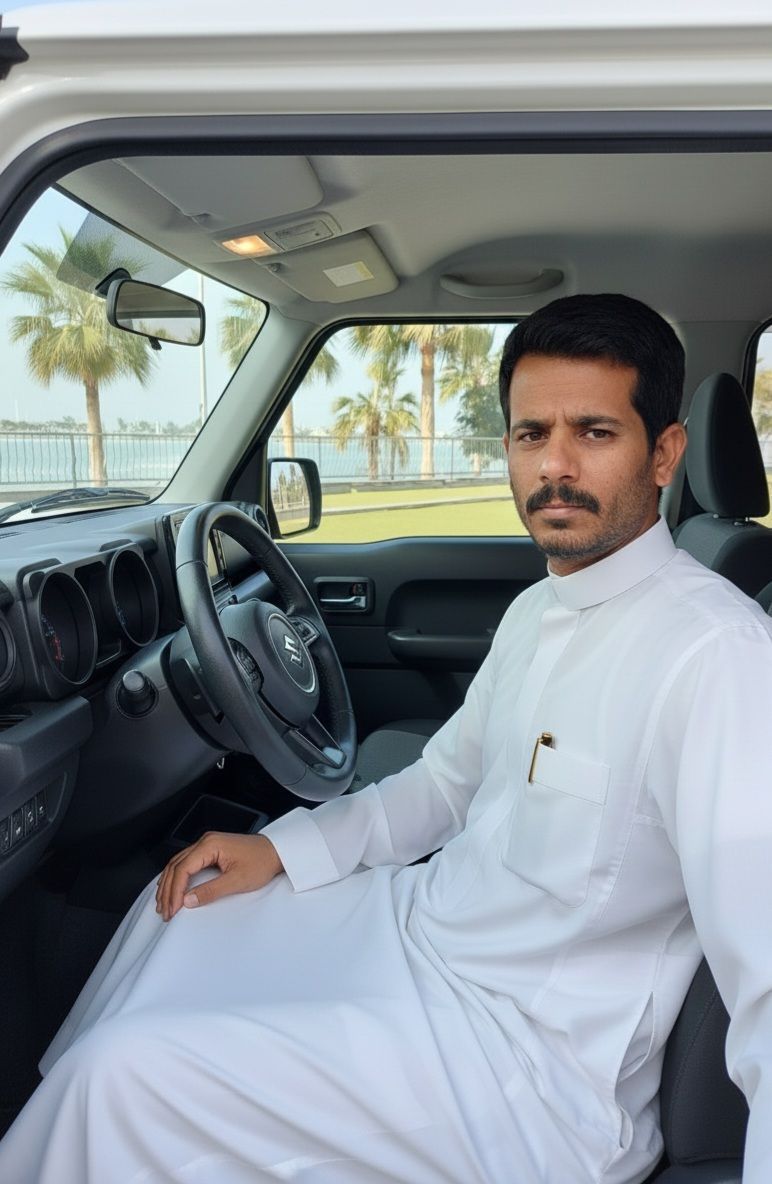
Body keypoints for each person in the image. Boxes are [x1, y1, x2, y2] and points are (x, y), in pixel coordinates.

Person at [1, 293, 771, 1184]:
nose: (555, 466)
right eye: (531, 434)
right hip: (425, 930)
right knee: (185, 905)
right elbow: (441, 785)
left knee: (121, 1076)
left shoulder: (718, 657)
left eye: (594, 433)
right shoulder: (539, 606)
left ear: (664, 453)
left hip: (527, 1068)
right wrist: (281, 851)